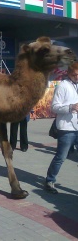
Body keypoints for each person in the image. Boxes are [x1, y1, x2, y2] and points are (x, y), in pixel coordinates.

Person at [44, 62, 78, 194]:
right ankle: (49, 180)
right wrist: (70, 107)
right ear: (69, 73)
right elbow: (54, 107)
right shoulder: (62, 86)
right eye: (74, 74)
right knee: (61, 157)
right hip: (66, 129)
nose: (77, 77)